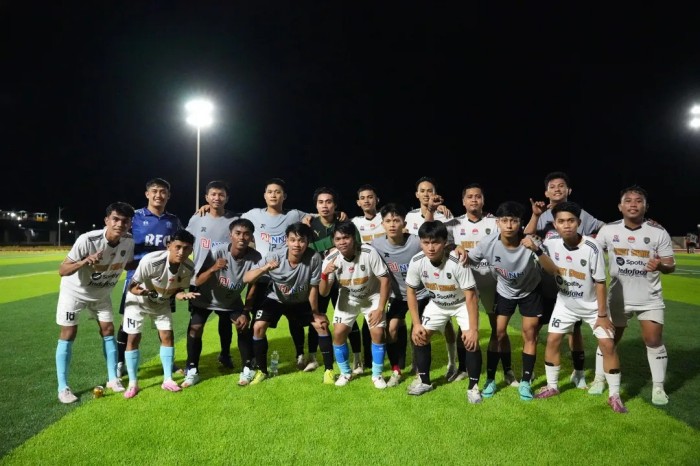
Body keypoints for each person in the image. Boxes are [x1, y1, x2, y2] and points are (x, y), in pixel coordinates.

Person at [240, 178, 347, 371]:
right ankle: (253, 363)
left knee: (297, 319)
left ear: (284, 196)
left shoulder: (294, 215)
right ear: (264, 195)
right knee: (255, 321)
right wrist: (209, 208)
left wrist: (337, 213)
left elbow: (321, 214)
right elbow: (232, 221)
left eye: (278, 192)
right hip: (266, 278)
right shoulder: (253, 214)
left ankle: (304, 356)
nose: (273, 195)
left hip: (295, 280)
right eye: (270, 191)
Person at [534, 202, 627, 413]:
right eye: (561, 221)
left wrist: (602, 315)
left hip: (593, 306)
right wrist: (537, 250)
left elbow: (600, 283)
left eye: (571, 221)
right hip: (565, 303)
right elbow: (549, 268)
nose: (566, 225)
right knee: (553, 340)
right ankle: (552, 386)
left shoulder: (592, 247)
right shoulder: (551, 242)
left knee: (607, 345)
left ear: (578, 222)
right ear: (555, 224)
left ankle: (614, 395)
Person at [593, 185, 675, 405]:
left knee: (653, 340)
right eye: (628, 200)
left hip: (650, 298)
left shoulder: (658, 231)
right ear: (620, 206)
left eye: (638, 201)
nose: (633, 204)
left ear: (646, 207)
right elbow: (592, 253)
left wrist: (661, 266)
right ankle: (599, 379)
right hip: (618, 298)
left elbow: (670, 264)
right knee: (609, 340)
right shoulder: (608, 230)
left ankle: (658, 387)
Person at [525, 171, 605, 389]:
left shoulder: (580, 213)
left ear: (569, 190)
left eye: (561, 186)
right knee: (535, 328)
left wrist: (595, 239)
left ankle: (578, 373)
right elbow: (527, 236)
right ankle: (529, 373)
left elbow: (603, 228)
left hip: (572, 287)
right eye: (552, 186)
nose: (557, 189)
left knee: (574, 331)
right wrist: (535, 215)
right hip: (545, 283)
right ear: (546, 192)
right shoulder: (541, 214)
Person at [54, 202, 135, 403]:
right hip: (75, 292)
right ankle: (63, 387)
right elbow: (62, 270)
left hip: (101, 294)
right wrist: (84, 261)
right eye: (115, 219)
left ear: (130, 224)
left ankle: (113, 379)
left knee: (108, 330)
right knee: (69, 333)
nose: (120, 224)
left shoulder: (128, 241)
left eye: (125, 221)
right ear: (106, 220)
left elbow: (129, 264)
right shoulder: (88, 240)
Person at [468, 201, 546, 401]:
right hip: (504, 291)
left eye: (514, 221)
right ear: (498, 223)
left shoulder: (530, 241)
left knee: (529, 334)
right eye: (504, 220)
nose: (509, 225)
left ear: (520, 223)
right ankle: (491, 379)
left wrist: (537, 249)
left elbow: (550, 268)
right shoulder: (488, 243)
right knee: (498, 333)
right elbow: (469, 259)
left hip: (530, 291)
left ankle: (526, 382)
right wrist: (457, 249)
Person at [445, 183, 518, 386]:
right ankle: (463, 368)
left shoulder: (495, 222)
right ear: (463, 201)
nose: (474, 200)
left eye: (478, 196)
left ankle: (508, 370)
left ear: (483, 200)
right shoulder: (453, 223)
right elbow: (443, 243)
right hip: (465, 283)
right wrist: (454, 245)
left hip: (491, 282)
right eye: (470, 196)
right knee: (464, 326)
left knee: (498, 328)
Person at [243, 222, 334, 384]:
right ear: (286, 240)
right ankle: (262, 371)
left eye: (301, 240)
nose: (297, 245)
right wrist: (265, 269)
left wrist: (315, 312)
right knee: (258, 327)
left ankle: (329, 371)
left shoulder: (314, 258)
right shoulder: (275, 256)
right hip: (276, 299)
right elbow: (247, 278)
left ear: (307, 242)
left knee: (322, 325)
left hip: (301, 300)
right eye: (293, 240)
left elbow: (313, 288)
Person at [405, 221, 483, 403]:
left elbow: (471, 296)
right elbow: (410, 292)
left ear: (445, 242)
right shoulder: (417, 261)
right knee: (420, 336)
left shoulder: (458, 261)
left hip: (462, 304)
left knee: (471, 341)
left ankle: (473, 387)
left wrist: (473, 330)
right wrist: (416, 324)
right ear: (420, 243)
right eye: (426, 242)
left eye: (435, 242)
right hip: (438, 304)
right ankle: (424, 381)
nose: (430, 248)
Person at [116, 177, 184, 378]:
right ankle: (120, 361)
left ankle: (169, 363)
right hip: (136, 278)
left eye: (163, 192)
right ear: (147, 194)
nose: (158, 195)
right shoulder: (135, 217)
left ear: (168, 195)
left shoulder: (174, 221)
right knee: (127, 322)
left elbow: (181, 244)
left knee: (164, 323)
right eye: (154, 191)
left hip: (164, 280)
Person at [184, 218, 262, 388]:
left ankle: (247, 367)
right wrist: (213, 268)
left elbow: (253, 286)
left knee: (242, 325)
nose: (242, 237)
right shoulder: (216, 251)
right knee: (195, 328)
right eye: (238, 233)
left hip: (230, 301)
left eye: (246, 234)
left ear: (251, 237)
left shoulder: (255, 257)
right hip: (205, 299)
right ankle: (192, 369)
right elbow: (198, 281)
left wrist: (246, 311)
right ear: (230, 235)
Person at [122, 229, 199, 398]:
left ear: (191, 250)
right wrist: (145, 293)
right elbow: (132, 287)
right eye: (178, 247)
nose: (181, 252)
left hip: (161, 303)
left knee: (167, 336)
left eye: (186, 248)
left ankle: (168, 379)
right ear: (169, 245)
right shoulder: (150, 261)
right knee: (133, 338)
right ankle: (133, 383)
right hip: (138, 302)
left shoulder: (188, 267)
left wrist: (182, 294)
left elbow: (178, 289)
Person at [319, 221, 391, 388]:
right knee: (338, 333)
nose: (342, 242)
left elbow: (385, 279)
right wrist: (325, 275)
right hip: (348, 298)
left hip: (372, 296)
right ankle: (345, 373)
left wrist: (380, 308)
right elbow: (323, 292)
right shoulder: (330, 260)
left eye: (346, 237)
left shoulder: (369, 252)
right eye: (338, 239)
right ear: (333, 241)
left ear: (354, 238)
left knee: (378, 333)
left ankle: (377, 375)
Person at [403, 176, 458, 377]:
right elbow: (413, 243)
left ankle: (452, 362)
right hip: (419, 275)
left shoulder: (446, 215)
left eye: (430, 190)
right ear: (417, 194)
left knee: (446, 323)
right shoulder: (410, 216)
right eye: (423, 190)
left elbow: (450, 243)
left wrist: (435, 211)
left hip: (439, 275)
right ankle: (417, 362)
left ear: (436, 193)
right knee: (416, 321)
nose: (426, 194)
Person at [184, 180, 240, 380]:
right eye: (213, 194)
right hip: (200, 280)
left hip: (225, 280)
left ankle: (225, 354)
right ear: (206, 197)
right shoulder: (197, 218)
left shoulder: (235, 220)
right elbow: (185, 243)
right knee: (196, 324)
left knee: (225, 321)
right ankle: (191, 365)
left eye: (221, 194)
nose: (217, 198)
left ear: (227, 198)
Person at [305, 187, 364, 374]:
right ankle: (312, 358)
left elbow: (357, 244)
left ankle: (357, 359)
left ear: (335, 205)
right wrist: (332, 245)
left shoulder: (344, 223)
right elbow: (305, 248)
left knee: (349, 318)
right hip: (318, 279)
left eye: (329, 202)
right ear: (316, 206)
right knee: (316, 317)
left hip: (343, 280)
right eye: (321, 202)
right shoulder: (309, 225)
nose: (325, 206)